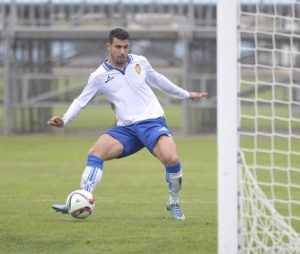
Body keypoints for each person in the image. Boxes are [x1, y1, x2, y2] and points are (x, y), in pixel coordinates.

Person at [48, 28, 208, 220]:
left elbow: (159, 80)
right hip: (126, 128)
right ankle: (81, 199)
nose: (122, 51)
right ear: (109, 46)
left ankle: (173, 201)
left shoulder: (140, 62)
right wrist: (64, 120)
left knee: (172, 159)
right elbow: (80, 101)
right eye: (117, 47)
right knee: (95, 153)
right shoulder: (98, 77)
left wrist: (186, 94)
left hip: (151, 121)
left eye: (125, 47)